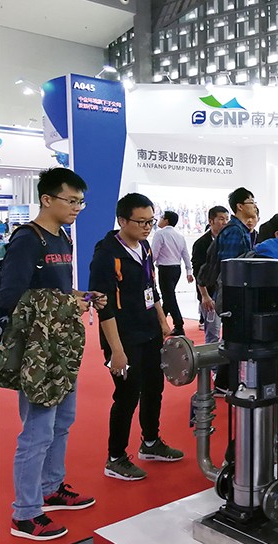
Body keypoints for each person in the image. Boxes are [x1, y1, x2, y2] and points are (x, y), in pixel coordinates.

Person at [0, 168, 103, 541]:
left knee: (63, 421)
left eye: (80, 202)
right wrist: (66, 304)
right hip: (37, 352)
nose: (76, 208)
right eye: (71, 200)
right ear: (47, 199)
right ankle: (25, 514)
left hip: (62, 347)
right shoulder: (28, 240)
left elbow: (57, 290)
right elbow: (9, 297)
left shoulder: (63, 238)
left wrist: (81, 297)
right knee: (37, 430)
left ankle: (51, 487)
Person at [89, 193, 184, 482]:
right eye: (141, 222)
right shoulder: (106, 255)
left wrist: (162, 321)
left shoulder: (144, 248)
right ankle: (115, 457)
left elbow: (151, 288)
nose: (147, 227)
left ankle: (151, 442)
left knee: (154, 387)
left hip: (149, 331)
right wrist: (116, 351)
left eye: (150, 221)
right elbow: (103, 306)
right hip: (123, 336)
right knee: (127, 395)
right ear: (122, 220)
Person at [197, 188, 257, 393]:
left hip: (236, 292)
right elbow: (231, 267)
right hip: (234, 293)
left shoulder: (240, 229)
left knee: (233, 337)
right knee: (233, 338)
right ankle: (224, 383)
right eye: (251, 201)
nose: (254, 206)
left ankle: (224, 382)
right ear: (240, 206)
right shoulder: (234, 231)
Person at [151, 210, 193, 337]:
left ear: (166, 220)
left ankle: (178, 324)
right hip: (176, 269)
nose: (159, 220)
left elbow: (154, 253)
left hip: (165, 269)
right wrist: (189, 271)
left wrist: (148, 267)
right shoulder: (179, 236)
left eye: (161, 217)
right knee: (168, 296)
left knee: (169, 296)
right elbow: (185, 255)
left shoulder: (160, 234)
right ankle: (160, 320)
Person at [191, 206, 229, 342]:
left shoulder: (229, 240)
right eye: (221, 219)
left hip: (227, 291)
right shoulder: (202, 243)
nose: (225, 222)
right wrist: (205, 295)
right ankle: (211, 356)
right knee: (213, 333)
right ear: (211, 221)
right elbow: (198, 272)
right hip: (211, 293)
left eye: (227, 219)